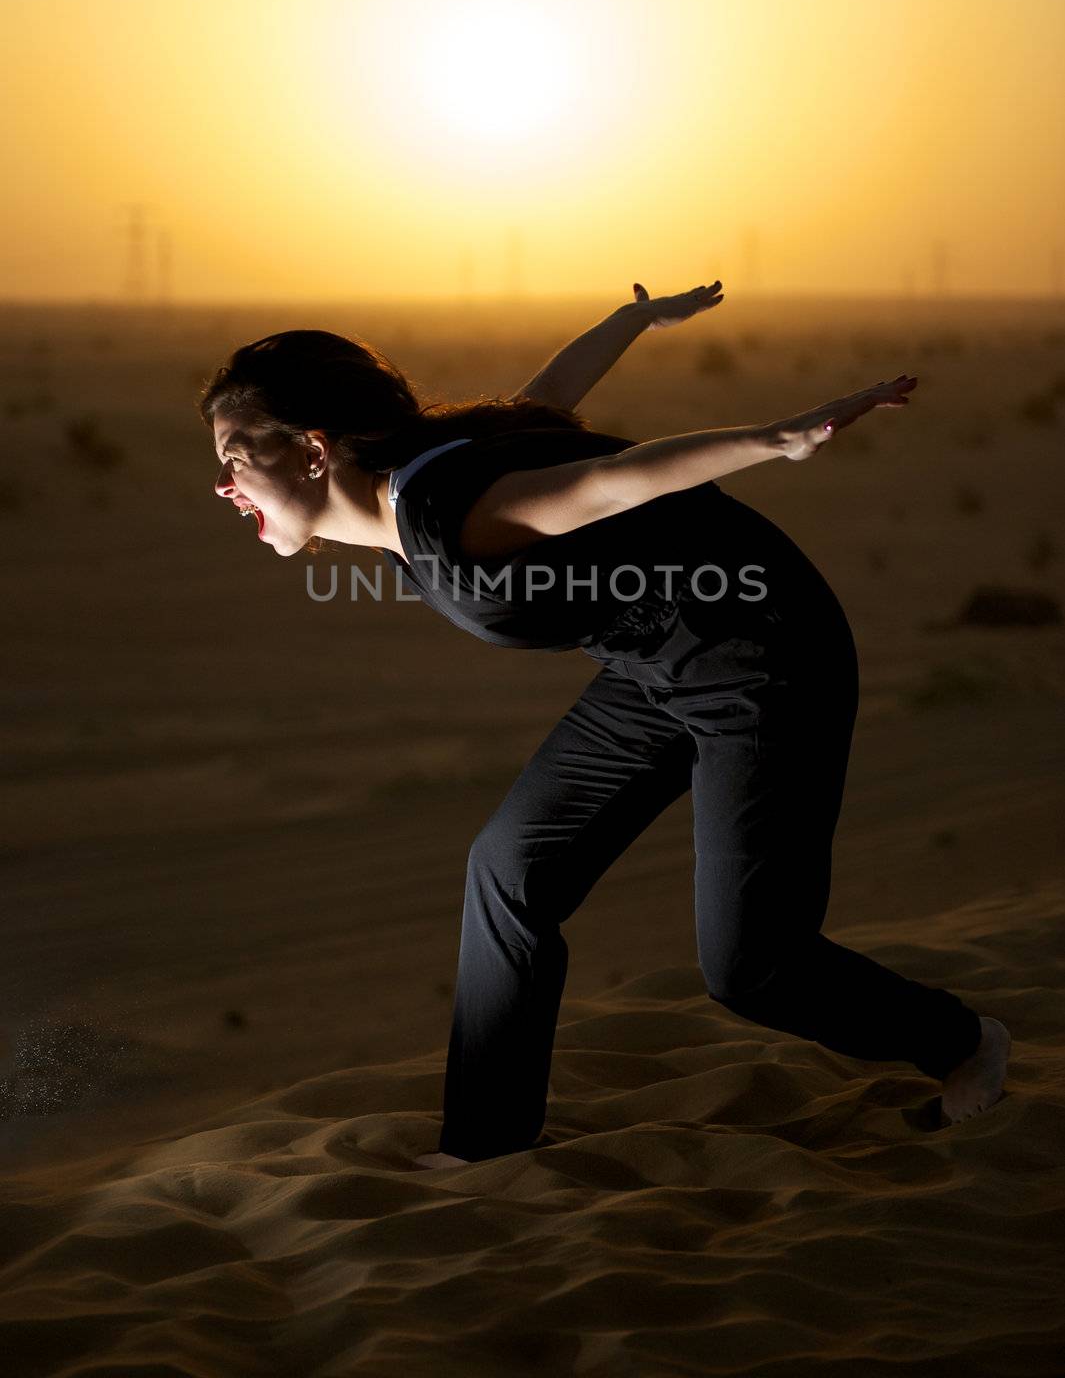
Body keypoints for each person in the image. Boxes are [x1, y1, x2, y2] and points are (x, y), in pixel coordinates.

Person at [199, 281, 1011, 1168]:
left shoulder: (446, 511)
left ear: (312, 450)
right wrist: (630, 321)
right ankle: (485, 1146)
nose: (223, 483)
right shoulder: (431, 474)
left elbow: (601, 482)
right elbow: (542, 401)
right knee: (509, 870)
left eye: (237, 456)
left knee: (752, 967)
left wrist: (773, 440)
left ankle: (961, 1041)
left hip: (763, 661)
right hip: (654, 663)